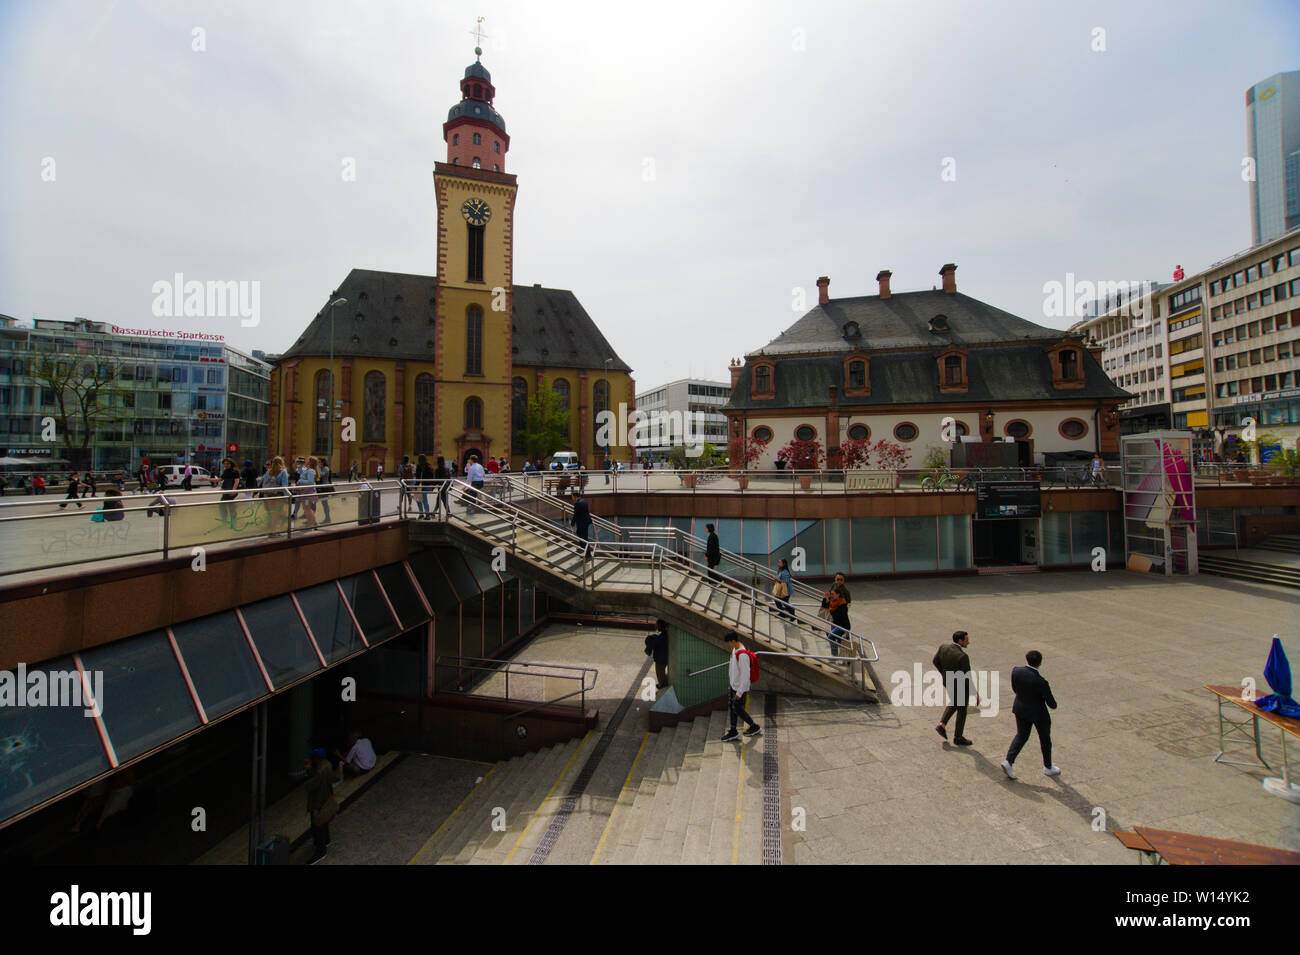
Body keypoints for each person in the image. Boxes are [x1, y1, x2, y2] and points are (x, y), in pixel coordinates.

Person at [1000, 650, 1060, 780]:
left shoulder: (1016, 671)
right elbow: (1052, 704)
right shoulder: (1041, 682)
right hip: (1038, 713)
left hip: (1020, 708)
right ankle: (1048, 766)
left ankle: (1009, 761)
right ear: (1040, 663)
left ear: (1026, 659)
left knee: (1021, 735)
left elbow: (1015, 688)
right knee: (1044, 738)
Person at [933, 630, 978, 746]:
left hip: (948, 682)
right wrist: (975, 693)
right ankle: (958, 737)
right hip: (960, 685)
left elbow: (935, 661)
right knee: (962, 710)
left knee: (955, 702)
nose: (968, 643)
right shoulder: (962, 656)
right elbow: (967, 677)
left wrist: (943, 673)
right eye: (966, 640)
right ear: (960, 641)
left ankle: (942, 725)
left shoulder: (943, 647)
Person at [720, 632, 762, 742]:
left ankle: (754, 726)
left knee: (738, 709)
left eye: (728, 643)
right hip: (734, 686)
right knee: (733, 708)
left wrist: (739, 692)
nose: (728, 645)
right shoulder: (734, 650)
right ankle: (733, 730)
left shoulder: (742, 656)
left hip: (740, 688)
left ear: (733, 641)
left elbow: (745, 676)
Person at [304, 749, 336, 865]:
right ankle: (326, 840)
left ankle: (320, 851)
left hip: (317, 803)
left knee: (317, 826)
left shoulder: (319, 771)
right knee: (324, 821)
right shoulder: (327, 765)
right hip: (326, 800)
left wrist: (308, 770)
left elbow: (309, 786)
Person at [820, 572, 852, 659]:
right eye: (838, 579)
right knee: (834, 637)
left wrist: (847, 630)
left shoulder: (842, 601)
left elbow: (845, 616)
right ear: (835, 579)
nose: (839, 581)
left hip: (841, 623)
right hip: (835, 621)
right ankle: (837, 655)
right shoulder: (833, 597)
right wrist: (825, 598)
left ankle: (837, 656)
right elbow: (825, 605)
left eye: (841, 580)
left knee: (833, 637)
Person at [649, 618, 670, 689]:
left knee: (660, 673)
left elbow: (655, 645)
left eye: (657, 625)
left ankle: (663, 687)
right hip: (664, 658)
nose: (656, 626)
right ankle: (662, 684)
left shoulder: (662, 637)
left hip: (661, 659)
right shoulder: (665, 634)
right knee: (662, 673)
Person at [218, 457, 240, 524]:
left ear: (231, 464)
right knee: (226, 505)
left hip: (231, 491)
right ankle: (228, 520)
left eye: (227, 464)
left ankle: (230, 521)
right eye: (224, 464)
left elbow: (237, 481)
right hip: (226, 491)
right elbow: (220, 479)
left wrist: (233, 490)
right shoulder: (226, 471)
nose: (225, 465)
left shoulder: (234, 471)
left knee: (224, 505)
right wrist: (207, 479)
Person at [572, 491, 592, 558]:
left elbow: (576, 514)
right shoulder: (584, 501)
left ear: (575, 496)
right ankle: (587, 553)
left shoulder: (577, 503)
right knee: (585, 537)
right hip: (586, 522)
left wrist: (572, 523)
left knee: (582, 538)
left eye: (572, 496)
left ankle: (587, 553)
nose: (572, 498)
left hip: (581, 522)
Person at [414, 454, 434, 519]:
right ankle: (427, 514)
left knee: (418, 499)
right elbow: (432, 476)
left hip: (421, 485)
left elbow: (418, 478)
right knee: (425, 500)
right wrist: (431, 485)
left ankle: (421, 513)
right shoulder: (429, 466)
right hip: (427, 485)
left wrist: (415, 487)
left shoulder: (419, 466)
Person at [317, 459, 333, 524]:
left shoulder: (326, 468)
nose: (318, 463)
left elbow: (320, 475)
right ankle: (327, 518)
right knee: (324, 503)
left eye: (319, 462)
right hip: (322, 487)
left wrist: (318, 468)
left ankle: (327, 518)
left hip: (325, 487)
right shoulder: (322, 468)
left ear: (323, 462)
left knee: (325, 503)